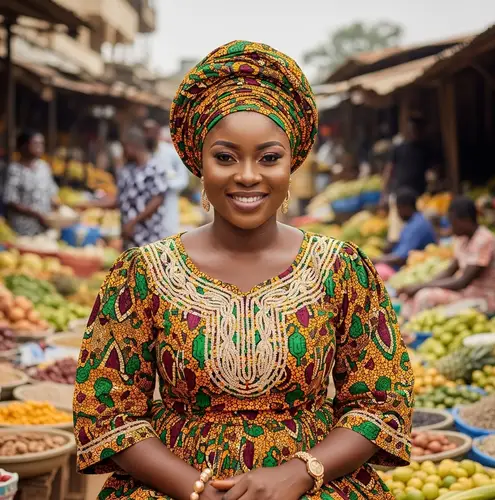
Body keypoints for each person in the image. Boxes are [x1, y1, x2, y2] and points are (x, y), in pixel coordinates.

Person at [73, 40, 414, 500]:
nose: (248, 175)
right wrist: (195, 488)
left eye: (269, 158)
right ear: (199, 163)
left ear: (292, 162)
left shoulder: (342, 269)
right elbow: (107, 410)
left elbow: (380, 403)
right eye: (226, 156)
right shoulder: (142, 274)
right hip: (171, 486)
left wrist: (300, 472)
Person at [400, 196, 495, 315]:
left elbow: (462, 282)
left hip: (484, 299)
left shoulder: (484, 240)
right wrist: (420, 285)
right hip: (466, 293)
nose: (451, 228)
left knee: (424, 296)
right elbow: (450, 270)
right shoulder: (462, 239)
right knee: (412, 297)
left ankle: (416, 331)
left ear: (466, 220)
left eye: (453, 223)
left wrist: (421, 286)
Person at [383, 118, 435, 244]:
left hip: (419, 196)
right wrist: (384, 193)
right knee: (397, 230)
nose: (415, 133)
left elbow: (433, 171)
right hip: (399, 195)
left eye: (417, 130)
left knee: (414, 229)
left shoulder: (425, 149)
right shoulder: (399, 148)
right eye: (412, 129)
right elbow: (389, 170)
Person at [373, 188, 436, 280]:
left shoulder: (416, 226)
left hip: (409, 271)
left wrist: (375, 260)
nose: (398, 213)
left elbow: (401, 258)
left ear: (405, 207)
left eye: (398, 208)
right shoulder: (413, 222)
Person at [3, 130, 58, 236]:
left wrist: (57, 208)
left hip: (44, 228)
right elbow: (10, 201)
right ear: (23, 146)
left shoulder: (44, 167)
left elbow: (52, 193)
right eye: (36, 144)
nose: (40, 147)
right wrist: (36, 214)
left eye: (42, 144)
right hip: (22, 229)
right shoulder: (14, 170)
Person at [143, 119, 190, 235]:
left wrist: (165, 185)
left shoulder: (171, 152)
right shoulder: (142, 154)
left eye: (151, 132)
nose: (148, 136)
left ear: (158, 133)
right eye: (146, 132)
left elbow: (183, 178)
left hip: (168, 202)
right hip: (146, 205)